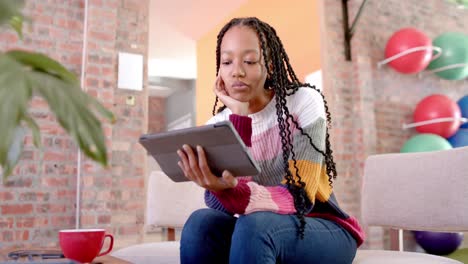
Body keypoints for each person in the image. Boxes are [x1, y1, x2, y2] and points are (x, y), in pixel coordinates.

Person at [176, 17, 365, 264]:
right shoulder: (218, 124)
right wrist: (239, 117)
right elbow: (221, 204)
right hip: (255, 226)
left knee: (255, 225)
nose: (237, 71)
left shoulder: (302, 103)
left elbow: (300, 197)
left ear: (271, 66)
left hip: (321, 225)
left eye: (250, 61)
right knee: (200, 222)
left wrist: (232, 189)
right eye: (227, 62)